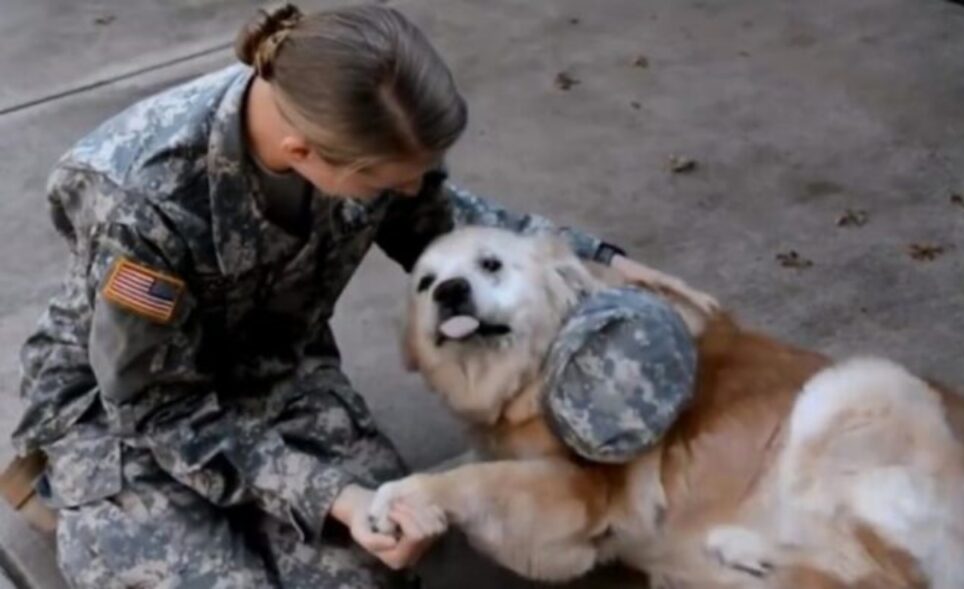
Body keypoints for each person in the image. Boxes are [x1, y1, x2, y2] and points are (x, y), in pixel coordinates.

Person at [11, 3, 691, 588]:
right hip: (127, 411)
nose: (403, 192)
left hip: (277, 373)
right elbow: (156, 405)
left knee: (372, 564)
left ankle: (237, 511)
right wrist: (332, 493)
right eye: (383, 185)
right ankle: (66, 491)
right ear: (301, 152)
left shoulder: (369, 134)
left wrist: (596, 261)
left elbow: (441, 217)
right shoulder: (143, 202)